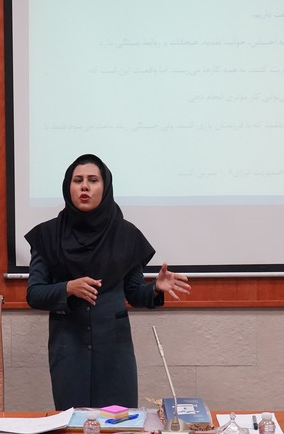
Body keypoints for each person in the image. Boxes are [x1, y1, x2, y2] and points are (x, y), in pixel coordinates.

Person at [25, 153, 191, 409]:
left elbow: (134, 293)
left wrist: (155, 288)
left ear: (105, 187)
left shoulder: (125, 235)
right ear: (68, 186)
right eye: (78, 180)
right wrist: (68, 287)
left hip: (115, 352)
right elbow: (34, 294)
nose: (85, 187)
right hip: (69, 349)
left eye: (93, 180)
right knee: (74, 426)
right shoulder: (48, 235)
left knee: (119, 425)